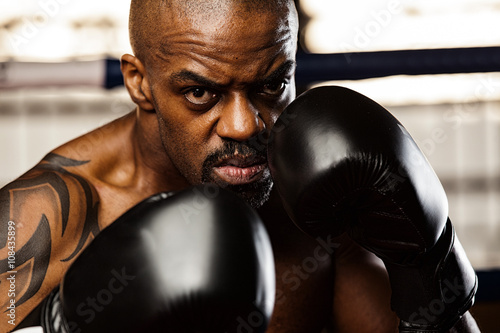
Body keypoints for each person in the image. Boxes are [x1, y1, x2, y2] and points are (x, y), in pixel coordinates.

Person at [0, 0, 480, 332]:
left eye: (270, 86)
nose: (243, 126)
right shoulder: (46, 217)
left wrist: (427, 264)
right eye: (200, 93)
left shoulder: (323, 202)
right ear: (139, 83)